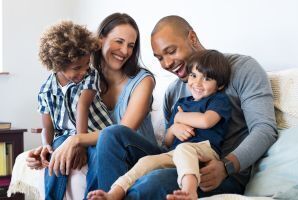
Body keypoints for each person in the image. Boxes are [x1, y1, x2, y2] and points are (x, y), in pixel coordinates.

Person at [87, 15, 278, 200]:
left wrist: (227, 166)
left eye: (171, 51)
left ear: (192, 38)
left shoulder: (243, 68)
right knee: (111, 134)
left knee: (150, 183)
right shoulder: (173, 92)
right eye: (160, 58)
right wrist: (173, 129)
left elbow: (265, 129)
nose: (167, 64)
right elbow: (169, 147)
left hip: (217, 172)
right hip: (177, 160)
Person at [26, 13, 158, 199]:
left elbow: (122, 132)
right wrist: (47, 148)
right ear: (100, 39)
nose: (125, 51)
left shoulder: (142, 81)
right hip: (103, 148)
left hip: (136, 153)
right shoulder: (84, 77)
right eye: (119, 41)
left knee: (104, 144)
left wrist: (77, 139)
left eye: (131, 45)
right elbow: (62, 121)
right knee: (61, 148)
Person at [87, 49, 232, 200]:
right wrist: (174, 127)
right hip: (174, 154)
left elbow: (206, 121)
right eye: (194, 75)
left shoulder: (218, 100)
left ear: (220, 85)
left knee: (184, 148)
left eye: (207, 79)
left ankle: (189, 192)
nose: (197, 83)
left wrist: (180, 117)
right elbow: (167, 141)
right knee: (146, 162)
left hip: (204, 152)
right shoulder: (181, 103)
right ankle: (113, 193)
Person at [31, 20, 113, 200]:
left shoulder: (90, 75)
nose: (84, 71)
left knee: (100, 156)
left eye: (86, 64)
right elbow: (47, 126)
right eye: (77, 67)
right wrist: (47, 145)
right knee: (56, 155)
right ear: (57, 64)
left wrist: (80, 143)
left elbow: (82, 106)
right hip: (65, 136)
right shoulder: (46, 90)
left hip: (94, 133)